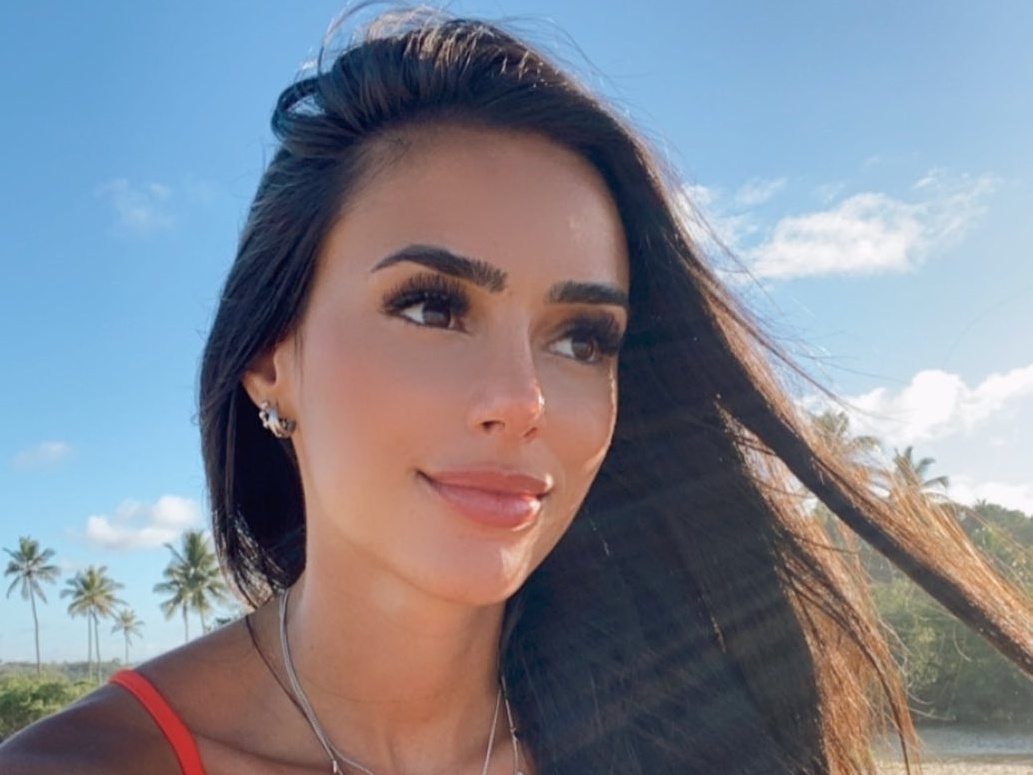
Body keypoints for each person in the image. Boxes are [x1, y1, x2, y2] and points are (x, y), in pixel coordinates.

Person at [3, 8, 1031, 775]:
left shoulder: (695, 740)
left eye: (582, 337)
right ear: (271, 358)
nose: (522, 396)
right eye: (431, 306)